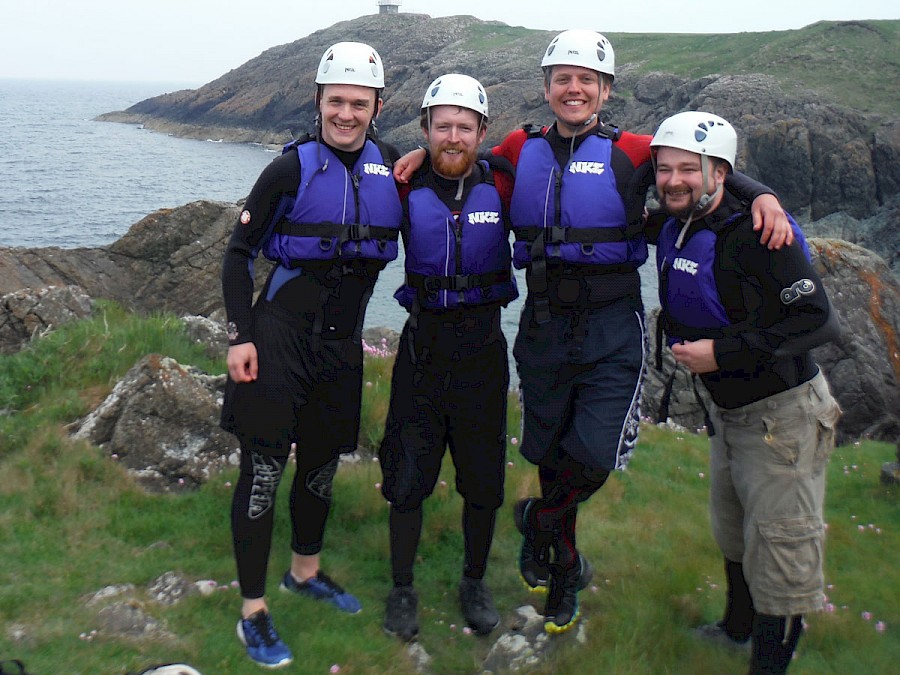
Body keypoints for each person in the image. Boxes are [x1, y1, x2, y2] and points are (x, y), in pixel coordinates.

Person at [394, 29, 794, 635]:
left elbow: (695, 167)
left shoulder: (633, 150)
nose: (574, 88)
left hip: (613, 322)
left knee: (593, 455)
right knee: (552, 454)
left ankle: (541, 523)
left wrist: (760, 194)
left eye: (587, 80)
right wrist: (420, 154)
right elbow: (460, 158)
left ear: (605, 90)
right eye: (563, 78)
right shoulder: (517, 146)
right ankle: (563, 575)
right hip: (545, 320)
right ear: (547, 88)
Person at [219, 41, 402, 668]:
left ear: (378, 106)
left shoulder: (395, 164)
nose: (345, 114)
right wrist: (240, 335)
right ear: (318, 102)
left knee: (322, 465)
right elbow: (238, 255)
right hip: (277, 338)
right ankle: (252, 610)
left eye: (358, 103)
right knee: (264, 471)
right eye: (335, 102)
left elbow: (453, 183)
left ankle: (305, 571)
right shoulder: (289, 169)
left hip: (340, 349)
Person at [650, 110, 841, 673]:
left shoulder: (762, 235)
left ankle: (768, 665)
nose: (674, 179)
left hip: (783, 417)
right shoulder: (678, 220)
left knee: (781, 551)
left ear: (720, 172)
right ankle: (733, 631)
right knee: (734, 534)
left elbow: (817, 322)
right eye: (666, 169)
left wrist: (720, 354)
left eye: (691, 168)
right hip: (729, 413)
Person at [378, 74, 518, 642]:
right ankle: (403, 587)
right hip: (422, 355)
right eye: (442, 127)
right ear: (426, 130)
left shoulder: (505, 184)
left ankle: (474, 582)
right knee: (407, 481)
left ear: (482, 131)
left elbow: (554, 143)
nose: (453, 137)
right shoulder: (403, 184)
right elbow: (352, 155)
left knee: (483, 486)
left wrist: (756, 194)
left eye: (465, 126)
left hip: (483, 358)